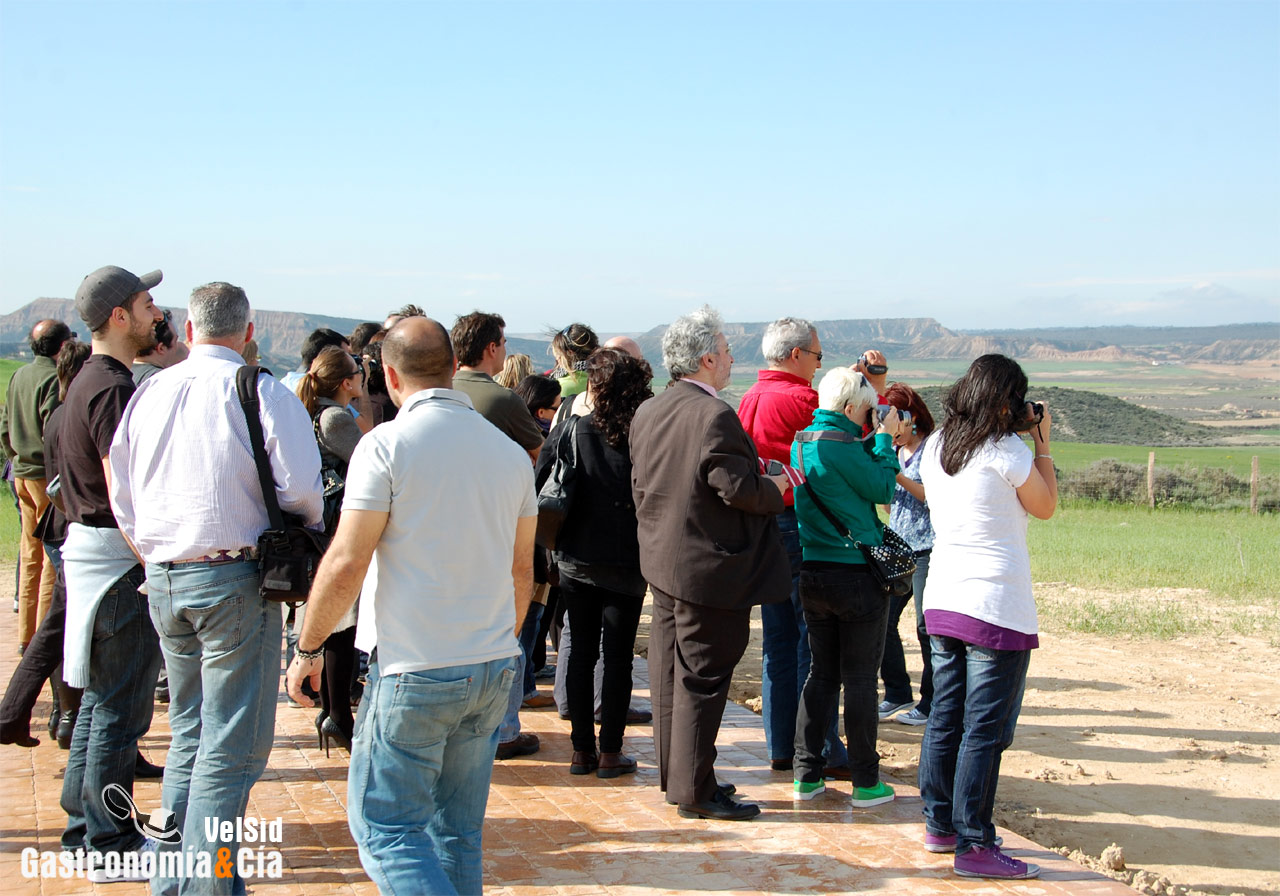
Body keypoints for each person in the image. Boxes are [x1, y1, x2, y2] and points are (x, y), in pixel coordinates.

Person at [286, 316, 535, 895]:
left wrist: (308, 646)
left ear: (390, 376)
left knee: (387, 830)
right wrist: (499, 644)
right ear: (453, 368)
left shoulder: (385, 445)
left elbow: (347, 560)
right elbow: (522, 571)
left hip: (413, 667)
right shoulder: (507, 453)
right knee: (456, 835)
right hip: (492, 662)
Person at [110, 281, 323, 894]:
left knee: (191, 735)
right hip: (234, 577)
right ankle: (207, 885)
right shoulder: (257, 388)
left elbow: (121, 490)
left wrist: (153, 554)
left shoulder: (148, 391)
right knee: (230, 751)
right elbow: (304, 492)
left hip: (164, 575)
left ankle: (174, 882)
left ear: (188, 329)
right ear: (249, 333)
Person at [630, 305, 790, 821]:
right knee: (701, 680)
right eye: (725, 350)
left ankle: (678, 779)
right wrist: (778, 488)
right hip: (708, 569)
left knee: (670, 675)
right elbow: (736, 490)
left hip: (663, 563)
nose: (731, 358)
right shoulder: (714, 414)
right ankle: (696, 792)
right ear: (705, 359)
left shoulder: (650, 409)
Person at [917, 354, 1057, 880]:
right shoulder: (1008, 450)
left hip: (943, 598)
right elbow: (1044, 507)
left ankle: (940, 823)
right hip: (994, 605)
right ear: (1004, 402)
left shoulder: (937, 446)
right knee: (984, 728)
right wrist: (1043, 444)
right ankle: (974, 841)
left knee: (945, 715)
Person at [56, 265, 164, 881]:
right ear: (119, 316)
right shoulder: (112, 388)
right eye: (147, 303)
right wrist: (153, 561)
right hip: (118, 568)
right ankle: (109, 844)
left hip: (96, 560)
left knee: (101, 706)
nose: (157, 313)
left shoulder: (90, 381)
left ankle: (85, 830)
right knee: (120, 711)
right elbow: (125, 491)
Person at [736, 317, 850, 777]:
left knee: (777, 640)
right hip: (801, 526)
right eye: (819, 357)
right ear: (796, 355)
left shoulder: (748, 398)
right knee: (814, 639)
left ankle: (780, 743)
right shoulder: (806, 401)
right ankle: (818, 745)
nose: (820, 365)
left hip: (761, 526)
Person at [790, 367, 906, 807]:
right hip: (856, 576)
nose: (869, 415)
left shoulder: (801, 441)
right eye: (866, 408)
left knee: (821, 674)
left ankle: (806, 775)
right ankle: (865, 782)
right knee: (859, 679)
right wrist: (884, 440)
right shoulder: (843, 444)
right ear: (850, 408)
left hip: (814, 570)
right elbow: (881, 489)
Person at [539, 348, 652, 778]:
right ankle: (610, 752)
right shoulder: (643, 435)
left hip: (576, 556)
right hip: (627, 560)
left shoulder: (571, 428)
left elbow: (542, 482)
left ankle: (581, 751)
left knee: (581, 650)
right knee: (618, 658)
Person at [450, 311, 545, 759]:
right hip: (498, 525)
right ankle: (503, 728)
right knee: (506, 628)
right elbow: (536, 454)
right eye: (502, 342)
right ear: (491, 348)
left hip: (445, 527)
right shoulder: (503, 401)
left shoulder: (439, 391)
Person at [295, 346, 368, 754]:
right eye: (358, 372)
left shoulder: (315, 412)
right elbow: (368, 459)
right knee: (343, 622)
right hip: (339, 525)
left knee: (338, 620)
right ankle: (338, 715)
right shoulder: (336, 417)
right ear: (346, 382)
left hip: (322, 524)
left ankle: (335, 712)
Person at [2, 319, 72, 653]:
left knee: (29, 555)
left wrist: (15, 459)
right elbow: (52, 433)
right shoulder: (50, 378)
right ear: (61, 347)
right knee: (49, 558)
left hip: (20, 474)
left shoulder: (19, 375)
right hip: (45, 477)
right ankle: (44, 642)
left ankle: (24, 635)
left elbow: (4, 427)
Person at [879, 382, 937, 727]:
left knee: (925, 627)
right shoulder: (896, 452)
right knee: (883, 621)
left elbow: (930, 495)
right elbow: (891, 505)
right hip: (899, 547)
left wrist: (896, 475)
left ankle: (931, 703)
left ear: (909, 417)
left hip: (927, 547)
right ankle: (897, 691)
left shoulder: (932, 449)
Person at [132, 309, 189, 385]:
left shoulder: (122, 372)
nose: (177, 346)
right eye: (175, 341)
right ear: (161, 348)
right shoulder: (163, 381)